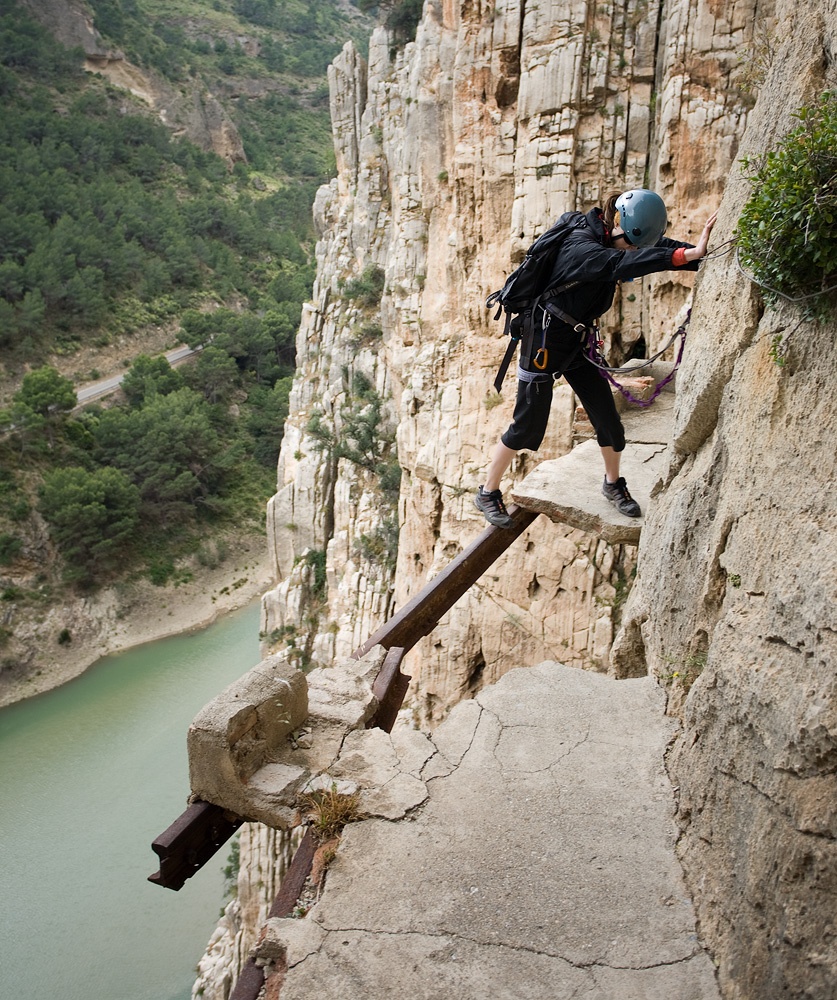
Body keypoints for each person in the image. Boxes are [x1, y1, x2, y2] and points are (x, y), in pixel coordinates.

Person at [475, 189, 718, 529]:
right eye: (632, 244)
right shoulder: (583, 249)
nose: (633, 250)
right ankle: (487, 492)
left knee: (608, 420)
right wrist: (685, 256)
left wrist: (700, 255)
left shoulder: (617, 236)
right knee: (526, 425)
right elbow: (621, 263)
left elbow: (651, 249)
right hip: (543, 341)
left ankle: (613, 484)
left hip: (576, 342)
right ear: (621, 230)